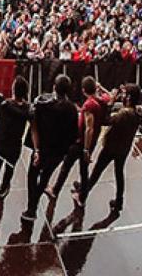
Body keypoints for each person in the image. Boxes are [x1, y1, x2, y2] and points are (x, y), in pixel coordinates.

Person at [78, 84, 142, 214]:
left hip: (112, 147)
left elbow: (106, 120)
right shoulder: (137, 112)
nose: (122, 96)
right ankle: (119, 202)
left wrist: (110, 104)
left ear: (129, 97)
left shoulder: (124, 113)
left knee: (97, 171)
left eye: (125, 94)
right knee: (119, 174)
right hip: (124, 148)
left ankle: (82, 196)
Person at [22, 75, 79, 222]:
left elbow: (33, 120)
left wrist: (36, 148)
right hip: (58, 152)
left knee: (32, 175)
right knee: (45, 177)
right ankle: (33, 205)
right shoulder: (72, 109)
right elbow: (74, 135)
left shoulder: (43, 102)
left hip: (41, 148)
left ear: (54, 86)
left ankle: (31, 207)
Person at [48, 76, 113, 205]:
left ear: (83, 90)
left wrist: (85, 149)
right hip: (92, 141)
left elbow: (89, 128)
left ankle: (55, 190)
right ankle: (82, 198)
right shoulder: (101, 101)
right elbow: (110, 97)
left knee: (66, 166)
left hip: (81, 142)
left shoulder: (89, 105)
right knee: (84, 170)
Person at [0, 76, 30, 206]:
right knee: (9, 169)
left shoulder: (4, 105)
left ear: (13, 89)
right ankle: (3, 189)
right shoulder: (27, 109)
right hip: (14, 147)